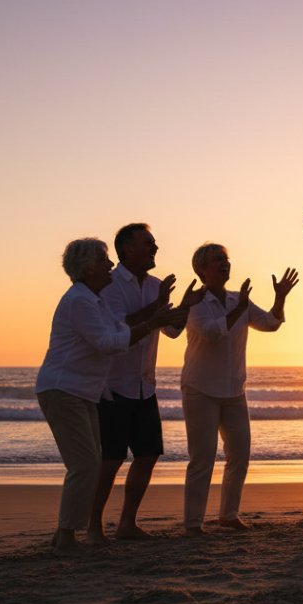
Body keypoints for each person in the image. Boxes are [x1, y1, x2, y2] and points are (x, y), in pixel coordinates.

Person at [34, 238, 184, 553]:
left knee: (87, 464)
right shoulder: (80, 300)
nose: (110, 265)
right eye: (104, 261)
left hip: (85, 391)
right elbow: (108, 342)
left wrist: (162, 315)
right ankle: (66, 536)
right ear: (89, 267)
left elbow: (118, 331)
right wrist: (152, 322)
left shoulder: (95, 299)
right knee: (86, 464)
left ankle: (65, 534)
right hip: (63, 389)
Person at [88, 223, 202, 542]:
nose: (155, 248)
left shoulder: (155, 285)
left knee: (148, 455)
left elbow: (170, 330)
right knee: (110, 459)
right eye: (148, 243)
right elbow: (119, 327)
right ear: (126, 249)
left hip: (144, 385)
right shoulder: (109, 285)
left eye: (154, 243)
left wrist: (185, 308)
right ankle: (94, 525)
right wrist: (159, 306)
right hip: (112, 386)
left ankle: (127, 523)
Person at [180, 243, 297, 535]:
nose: (224, 263)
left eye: (226, 259)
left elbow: (271, 323)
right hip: (200, 388)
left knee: (240, 455)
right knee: (202, 458)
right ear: (201, 270)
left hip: (234, 390)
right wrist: (240, 309)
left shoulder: (237, 299)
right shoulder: (195, 303)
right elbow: (212, 333)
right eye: (217, 260)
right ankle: (193, 523)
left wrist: (279, 298)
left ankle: (228, 515)